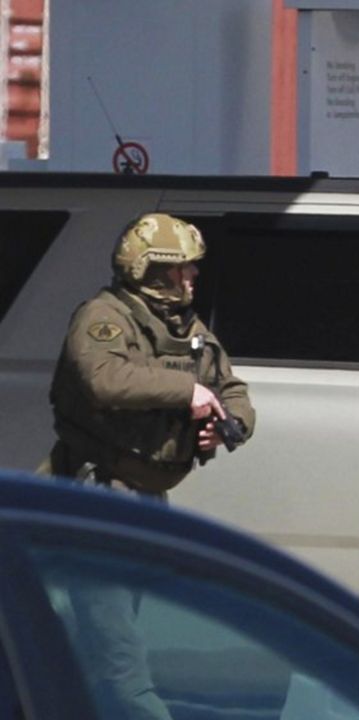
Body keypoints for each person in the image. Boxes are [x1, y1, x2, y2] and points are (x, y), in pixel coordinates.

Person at [38, 212, 255, 720]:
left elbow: (232, 389)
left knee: (111, 639)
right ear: (152, 270)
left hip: (145, 499)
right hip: (98, 495)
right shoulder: (105, 318)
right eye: (182, 268)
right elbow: (104, 379)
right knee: (117, 655)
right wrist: (187, 391)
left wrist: (229, 425)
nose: (192, 276)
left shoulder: (185, 328)